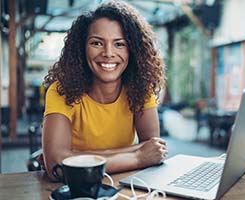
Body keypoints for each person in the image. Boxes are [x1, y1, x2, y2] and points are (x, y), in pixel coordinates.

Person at [42, 0, 167, 181]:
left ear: (133, 50)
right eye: (97, 43)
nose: (108, 53)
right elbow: (56, 167)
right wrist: (137, 155)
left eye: (119, 44)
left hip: (123, 185)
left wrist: (75, 157)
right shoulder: (62, 91)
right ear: (81, 48)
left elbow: (153, 150)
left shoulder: (141, 88)